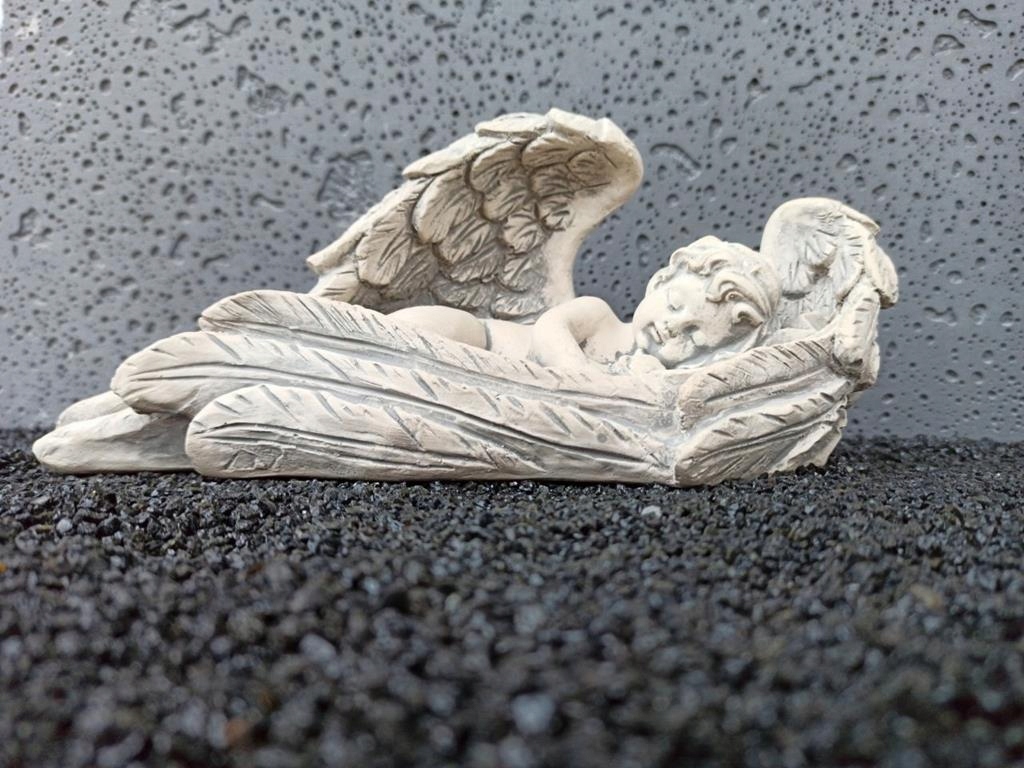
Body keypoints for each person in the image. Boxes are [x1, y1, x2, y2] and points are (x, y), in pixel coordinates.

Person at [389, 236, 781, 373]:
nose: (673, 328)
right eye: (676, 306)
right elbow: (549, 329)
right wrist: (583, 377)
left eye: (694, 336)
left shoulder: (649, 376)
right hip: (482, 340)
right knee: (406, 339)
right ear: (660, 283)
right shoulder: (599, 316)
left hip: (490, 381)